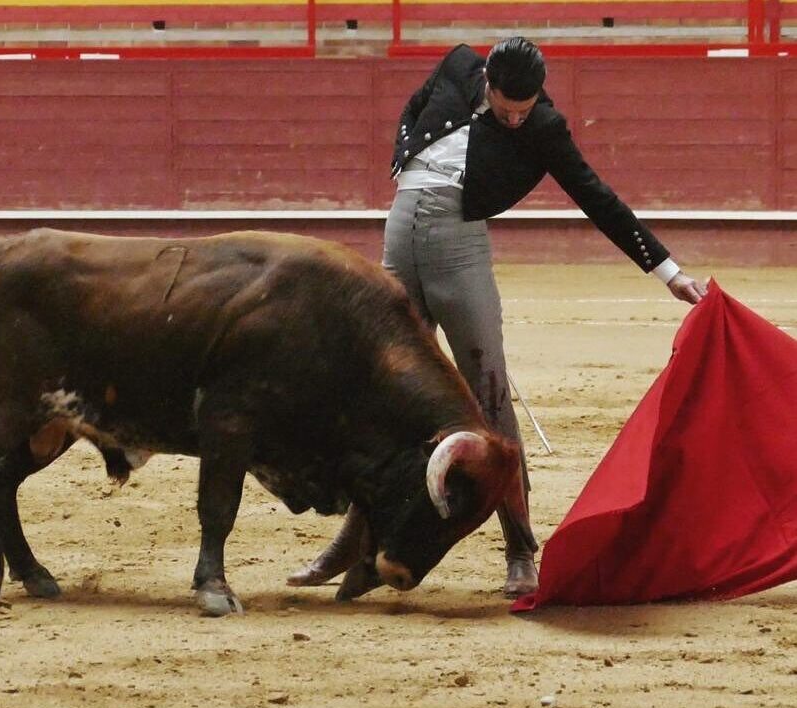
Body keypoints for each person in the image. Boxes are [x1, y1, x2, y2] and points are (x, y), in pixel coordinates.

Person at [287, 37, 707, 598]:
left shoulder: (544, 127)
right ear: (486, 80)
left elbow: (597, 196)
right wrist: (403, 159)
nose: (513, 119)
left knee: (490, 399)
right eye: (505, 107)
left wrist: (668, 271)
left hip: (458, 249)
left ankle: (520, 548)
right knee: (388, 400)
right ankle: (354, 545)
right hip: (399, 234)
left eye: (523, 110)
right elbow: (413, 108)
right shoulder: (458, 65)